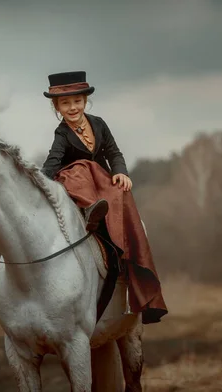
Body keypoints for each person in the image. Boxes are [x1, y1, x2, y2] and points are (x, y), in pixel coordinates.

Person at [41, 71, 168, 324]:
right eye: (65, 103)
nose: (72, 107)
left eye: (77, 101)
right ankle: (90, 213)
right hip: (77, 190)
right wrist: (39, 182)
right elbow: (52, 164)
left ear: (85, 101)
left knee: (120, 190)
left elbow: (114, 152)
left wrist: (121, 172)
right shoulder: (62, 134)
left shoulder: (98, 123)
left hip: (104, 186)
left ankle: (133, 270)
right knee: (79, 169)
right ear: (56, 106)